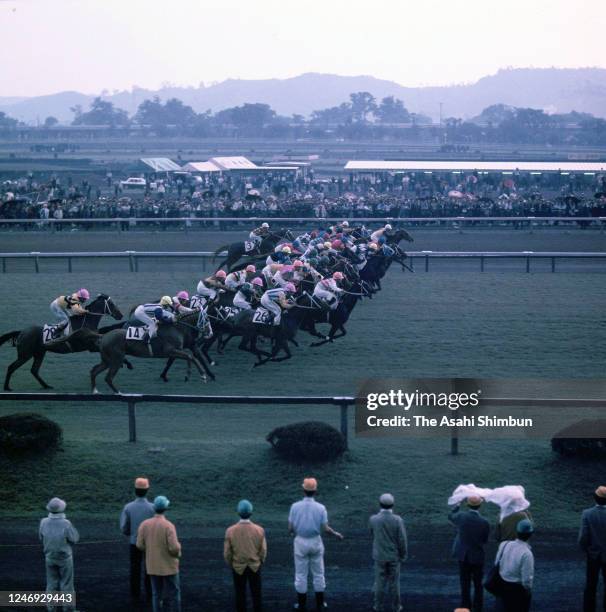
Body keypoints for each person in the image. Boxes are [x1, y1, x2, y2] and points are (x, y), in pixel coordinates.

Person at [288, 478, 344, 611]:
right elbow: (326, 529)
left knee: (301, 574)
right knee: (318, 573)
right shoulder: (321, 508)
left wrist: (293, 533)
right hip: (315, 541)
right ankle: (320, 603)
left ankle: (301, 604)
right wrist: (336, 534)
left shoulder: (294, 507)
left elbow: (290, 528)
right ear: (315, 491)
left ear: (303, 490)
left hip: (300, 541)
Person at [136, 495, 182, 612]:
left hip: (152, 565)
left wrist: (150, 550)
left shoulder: (144, 524)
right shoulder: (169, 526)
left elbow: (139, 545)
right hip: (169, 566)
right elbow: (174, 548)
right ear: (166, 508)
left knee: (156, 594)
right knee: (174, 593)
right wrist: (179, 549)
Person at [224, 499, 267, 612]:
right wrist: (260, 561)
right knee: (256, 594)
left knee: (240, 594)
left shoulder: (230, 531)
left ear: (238, 512)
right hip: (254, 566)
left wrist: (231, 563)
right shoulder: (259, 530)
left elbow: (227, 552)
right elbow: (263, 551)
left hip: (238, 566)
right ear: (251, 512)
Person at [448, 496, 490, 612]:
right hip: (477, 556)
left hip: (463, 555)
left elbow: (450, 517)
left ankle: (466, 607)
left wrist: (456, 507)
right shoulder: (485, 522)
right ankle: (478, 608)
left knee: (464, 583)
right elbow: (484, 540)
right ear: (480, 506)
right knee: (478, 584)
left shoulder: (461, 517)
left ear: (468, 505)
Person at [369, 493, 408, 612]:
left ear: (380, 504)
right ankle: (396, 606)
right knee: (394, 583)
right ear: (393, 504)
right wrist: (403, 554)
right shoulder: (397, 520)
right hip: (393, 556)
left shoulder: (373, 519)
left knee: (379, 582)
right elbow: (402, 539)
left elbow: (372, 534)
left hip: (379, 555)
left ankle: (378, 606)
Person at [39, 497, 79, 611]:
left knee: (51, 583)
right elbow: (74, 538)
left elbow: (40, 537)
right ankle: (69, 609)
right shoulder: (66, 523)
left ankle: (51, 608)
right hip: (65, 557)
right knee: (67, 584)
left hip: (49, 556)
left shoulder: (43, 521)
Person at [120, 477, 155, 602]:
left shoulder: (128, 507)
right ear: (147, 490)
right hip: (150, 543)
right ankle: (150, 594)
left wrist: (131, 533)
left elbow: (124, 528)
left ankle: (135, 595)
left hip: (134, 542)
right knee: (149, 569)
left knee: (135, 568)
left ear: (135, 490)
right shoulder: (153, 507)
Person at [494, 519, 534, 612]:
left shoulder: (504, 544)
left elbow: (496, 563)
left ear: (517, 532)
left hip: (501, 585)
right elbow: (526, 580)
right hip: (517, 590)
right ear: (530, 534)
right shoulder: (527, 554)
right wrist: (528, 591)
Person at [579, 486, 606, 611]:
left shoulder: (587, 513)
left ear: (595, 498)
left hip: (593, 554)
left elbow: (583, 537)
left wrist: (586, 550)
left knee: (590, 586)